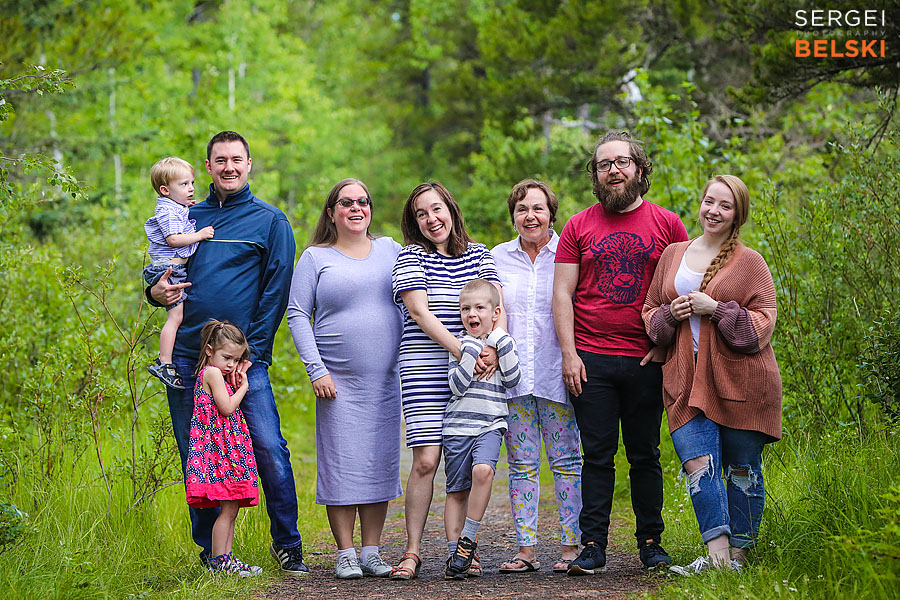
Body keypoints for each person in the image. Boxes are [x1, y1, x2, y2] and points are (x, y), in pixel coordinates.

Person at [147, 131, 308, 575]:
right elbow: (161, 270)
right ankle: (212, 554)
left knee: (269, 446)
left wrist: (249, 354)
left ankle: (287, 545)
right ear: (208, 166)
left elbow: (276, 294)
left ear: (250, 164)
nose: (229, 167)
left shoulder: (270, 223)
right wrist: (153, 291)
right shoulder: (185, 218)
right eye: (220, 160)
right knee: (194, 456)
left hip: (243, 361)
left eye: (237, 159)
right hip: (186, 360)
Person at [553, 131, 688, 575]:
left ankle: (651, 543)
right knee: (595, 456)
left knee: (645, 454)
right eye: (603, 164)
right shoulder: (577, 226)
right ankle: (592, 546)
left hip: (646, 360)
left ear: (639, 169)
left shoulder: (668, 225)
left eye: (622, 162)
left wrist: (666, 346)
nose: (613, 169)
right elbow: (562, 295)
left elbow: (683, 291)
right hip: (591, 360)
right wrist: (570, 355)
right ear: (595, 174)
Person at [642, 174, 781, 575]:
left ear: (738, 214)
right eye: (709, 202)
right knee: (698, 464)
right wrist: (672, 314)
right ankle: (719, 560)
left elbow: (762, 325)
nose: (714, 211)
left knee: (741, 469)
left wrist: (715, 309)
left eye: (725, 205)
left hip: (742, 382)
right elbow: (651, 313)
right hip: (686, 381)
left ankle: (740, 557)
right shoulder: (673, 253)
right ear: (700, 204)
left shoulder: (751, 262)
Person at [286, 178, 403, 580]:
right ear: (332, 211)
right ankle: (346, 553)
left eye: (363, 202)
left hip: (387, 380)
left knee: (378, 464)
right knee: (341, 465)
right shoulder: (316, 258)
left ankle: (371, 551)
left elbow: (416, 298)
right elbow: (298, 314)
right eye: (347, 202)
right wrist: (316, 369)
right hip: (337, 383)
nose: (357, 208)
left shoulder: (391, 250)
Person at [389, 182, 502, 580]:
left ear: (451, 210)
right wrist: (465, 351)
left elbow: (496, 306)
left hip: (475, 374)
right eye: (421, 214)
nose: (431, 219)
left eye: (436, 209)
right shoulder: (410, 257)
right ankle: (412, 551)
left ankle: (461, 550)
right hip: (423, 366)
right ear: (414, 222)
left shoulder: (480, 255)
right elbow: (419, 312)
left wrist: (492, 350)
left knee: (464, 461)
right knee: (426, 460)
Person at [491, 180, 583, 574]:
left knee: (566, 462)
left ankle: (571, 546)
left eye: (538, 209)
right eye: (522, 209)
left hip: (556, 373)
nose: (530, 216)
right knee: (522, 465)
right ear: (513, 215)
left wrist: (573, 357)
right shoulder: (496, 257)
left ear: (551, 213)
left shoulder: (567, 255)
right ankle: (526, 550)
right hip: (513, 379)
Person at [443, 278, 520, 580]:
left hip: (490, 423)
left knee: (483, 472)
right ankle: (456, 556)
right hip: (458, 427)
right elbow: (456, 386)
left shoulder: (503, 343)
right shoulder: (459, 345)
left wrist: (500, 342)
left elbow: (513, 379)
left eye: (479, 308)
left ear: (495, 312)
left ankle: (467, 541)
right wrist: (470, 351)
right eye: (466, 309)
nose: (472, 314)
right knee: (457, 490)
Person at [186, 319, 261, 577]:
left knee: (231, 508)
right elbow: (227, 407)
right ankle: (219, 562)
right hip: (220, 451)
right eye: (227, 357)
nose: (231, 364)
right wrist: (243, 388)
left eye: (236, 359)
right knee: (227, 508)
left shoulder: (218, 372)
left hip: (226, 448)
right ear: (209, 351)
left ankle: (226, 560)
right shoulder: (213, 373)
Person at [143, 156, 214, 389]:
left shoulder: (175, 207)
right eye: (184, 185)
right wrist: (200, 234)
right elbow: (174, 239)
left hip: (173, 268)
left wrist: (185, 207)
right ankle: (164, 362)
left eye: (192, 183)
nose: (191, 189)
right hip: (168, 269)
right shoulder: (166, 211)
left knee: (177, 316)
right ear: (165, 190)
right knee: (175, 317)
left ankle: (165, 360)